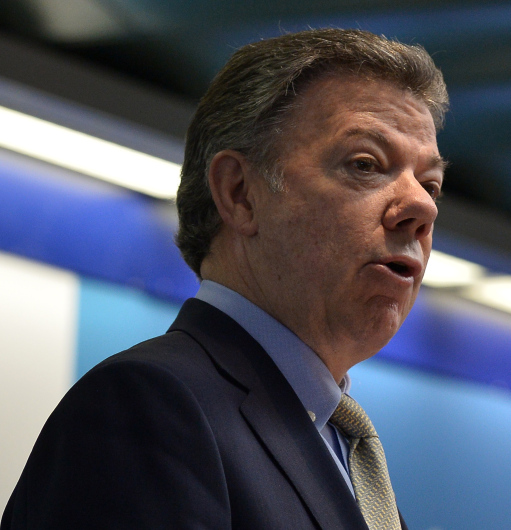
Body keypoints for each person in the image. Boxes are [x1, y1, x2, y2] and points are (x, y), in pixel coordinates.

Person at [1, 28, 448, 529]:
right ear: (239, 193)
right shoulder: (148, 408)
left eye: (431, 184)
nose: (422, 207)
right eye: (366, 164)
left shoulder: (342, 447)